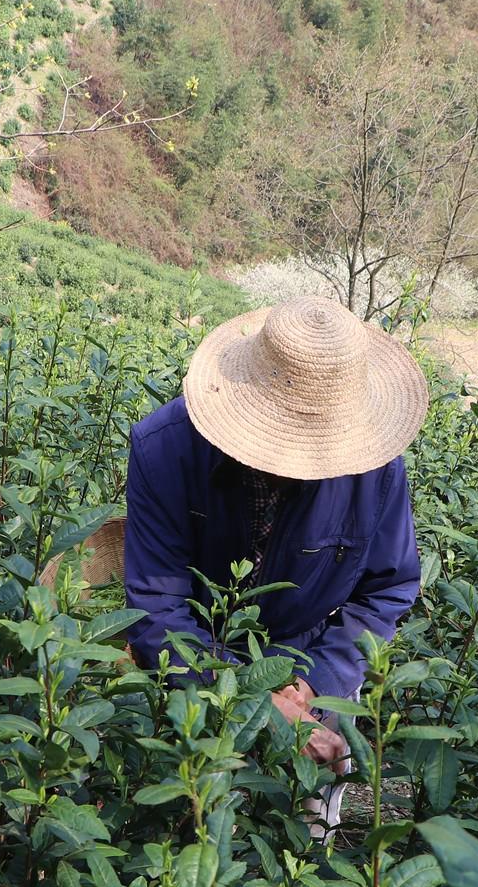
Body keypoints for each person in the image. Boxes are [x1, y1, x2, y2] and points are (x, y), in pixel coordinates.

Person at [123, 296, 428, 833]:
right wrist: (249, 696)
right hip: (199, 663)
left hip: (312, 659)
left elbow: (387, 589)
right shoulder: (165, 449)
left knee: (304, 836)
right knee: (197, 832)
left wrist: (313, 682)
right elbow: (157, 606)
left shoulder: (375, 470)